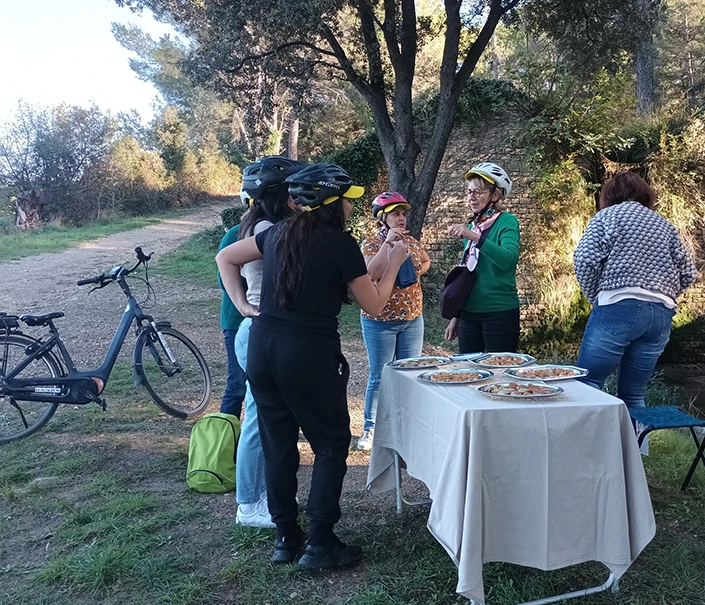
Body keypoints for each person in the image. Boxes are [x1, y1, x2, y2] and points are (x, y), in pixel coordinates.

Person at [216, 163, 409, 570]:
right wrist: (394, 262)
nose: (351, 208)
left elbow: (225, 258)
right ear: (333, 203)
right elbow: (373, 303)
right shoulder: (338, 242)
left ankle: (286, 538)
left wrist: (243, 307)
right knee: (332, 443)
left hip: (263, 350)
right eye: (347, 200)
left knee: (279, 443)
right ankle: (321, 540)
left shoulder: (275, 233)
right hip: (307, 353)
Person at [572, 171, 697, 409]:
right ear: (645, 196)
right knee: (633, 395)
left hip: (618, 306)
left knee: (587, 384)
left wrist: (595, 296)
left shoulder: (606, 217)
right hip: (660, 315)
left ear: (608, 196)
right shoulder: (664, 226)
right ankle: (637, 447)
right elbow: (689, 272)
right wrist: (664, 294)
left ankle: (588, 446)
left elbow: (585, 259)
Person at [231, 156, 305, 528]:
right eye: (292, 190)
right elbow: (224, 261)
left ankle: (268, 494)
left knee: (268, 418)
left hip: (263, 329)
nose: (298, 198)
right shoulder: (265, 227)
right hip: (262, 329)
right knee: (258, 420)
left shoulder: (261, 222)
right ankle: (249, 504)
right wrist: (244, 304)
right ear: (278, 193)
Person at [356, 192, 431, 451]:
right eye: (395, 214)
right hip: (380, 320)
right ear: (382, 218)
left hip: (412, 318)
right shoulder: (370, 244)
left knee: (410, 374)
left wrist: (416, 271)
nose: (401, 218)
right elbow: (370, 272)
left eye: (402, 213)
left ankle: (408, 425)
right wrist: (388, 245)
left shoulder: (411, 240)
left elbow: (426, 260)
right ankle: (371, 428)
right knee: (380, 376)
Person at [444, 162, 521, 353]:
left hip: (499, 312)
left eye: (478, 192)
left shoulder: (507, 221)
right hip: (469, 314)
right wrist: (457, 316)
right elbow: (469, 275)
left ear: (495, 196)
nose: (472, 197)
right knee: (468, 373)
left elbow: (509, 260)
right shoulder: (473, 227)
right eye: (469, 192)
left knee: (501, 372)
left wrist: (474, 237)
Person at [217, 224, 246, 419]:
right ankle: (225, 438)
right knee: (237, 384)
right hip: (236, 320)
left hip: (270, 320)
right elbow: (222, 279)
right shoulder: (236, 233)